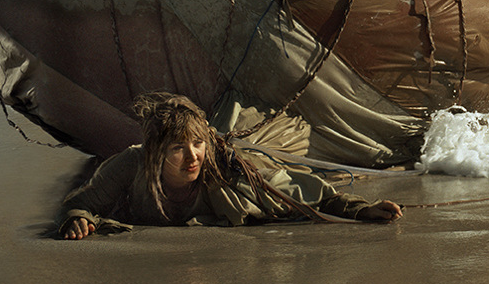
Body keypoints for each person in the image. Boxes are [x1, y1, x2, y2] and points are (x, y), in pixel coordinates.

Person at [58, 92, 402, 239]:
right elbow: (81, 201)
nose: (192, 156)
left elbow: (302, 192)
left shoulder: (225, 171)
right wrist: (78, 220)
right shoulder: (132, 164)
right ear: (156, 153)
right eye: (178, 148)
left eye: (198, 144)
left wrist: (361, 209)